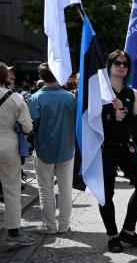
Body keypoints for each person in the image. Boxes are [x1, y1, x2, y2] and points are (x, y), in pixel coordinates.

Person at [99, 51, 137, 253]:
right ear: (109, 65)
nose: (121, 66)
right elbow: (88, 121)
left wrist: (125, 112)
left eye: (125, 64)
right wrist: (112, 116)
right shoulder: (99, 91)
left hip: (124, 146)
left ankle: (128, 231)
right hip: (104, 149)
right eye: (117, 63)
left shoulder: (133, 93)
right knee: (106, 194)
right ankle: (112, 236)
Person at [28, 63, 76, 235]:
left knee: (45, 189)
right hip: (66, 149)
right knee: (65, 189)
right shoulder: (70, 97)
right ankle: (64, 225)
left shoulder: (35, 98)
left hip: (43, 149)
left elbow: (31, 125)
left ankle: (49, 225)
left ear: (41, 77)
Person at [0, 62, 34, 247]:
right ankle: (13, 232)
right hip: (9, 144)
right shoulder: (16, 98)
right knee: (12, 190)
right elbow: (27, 127)